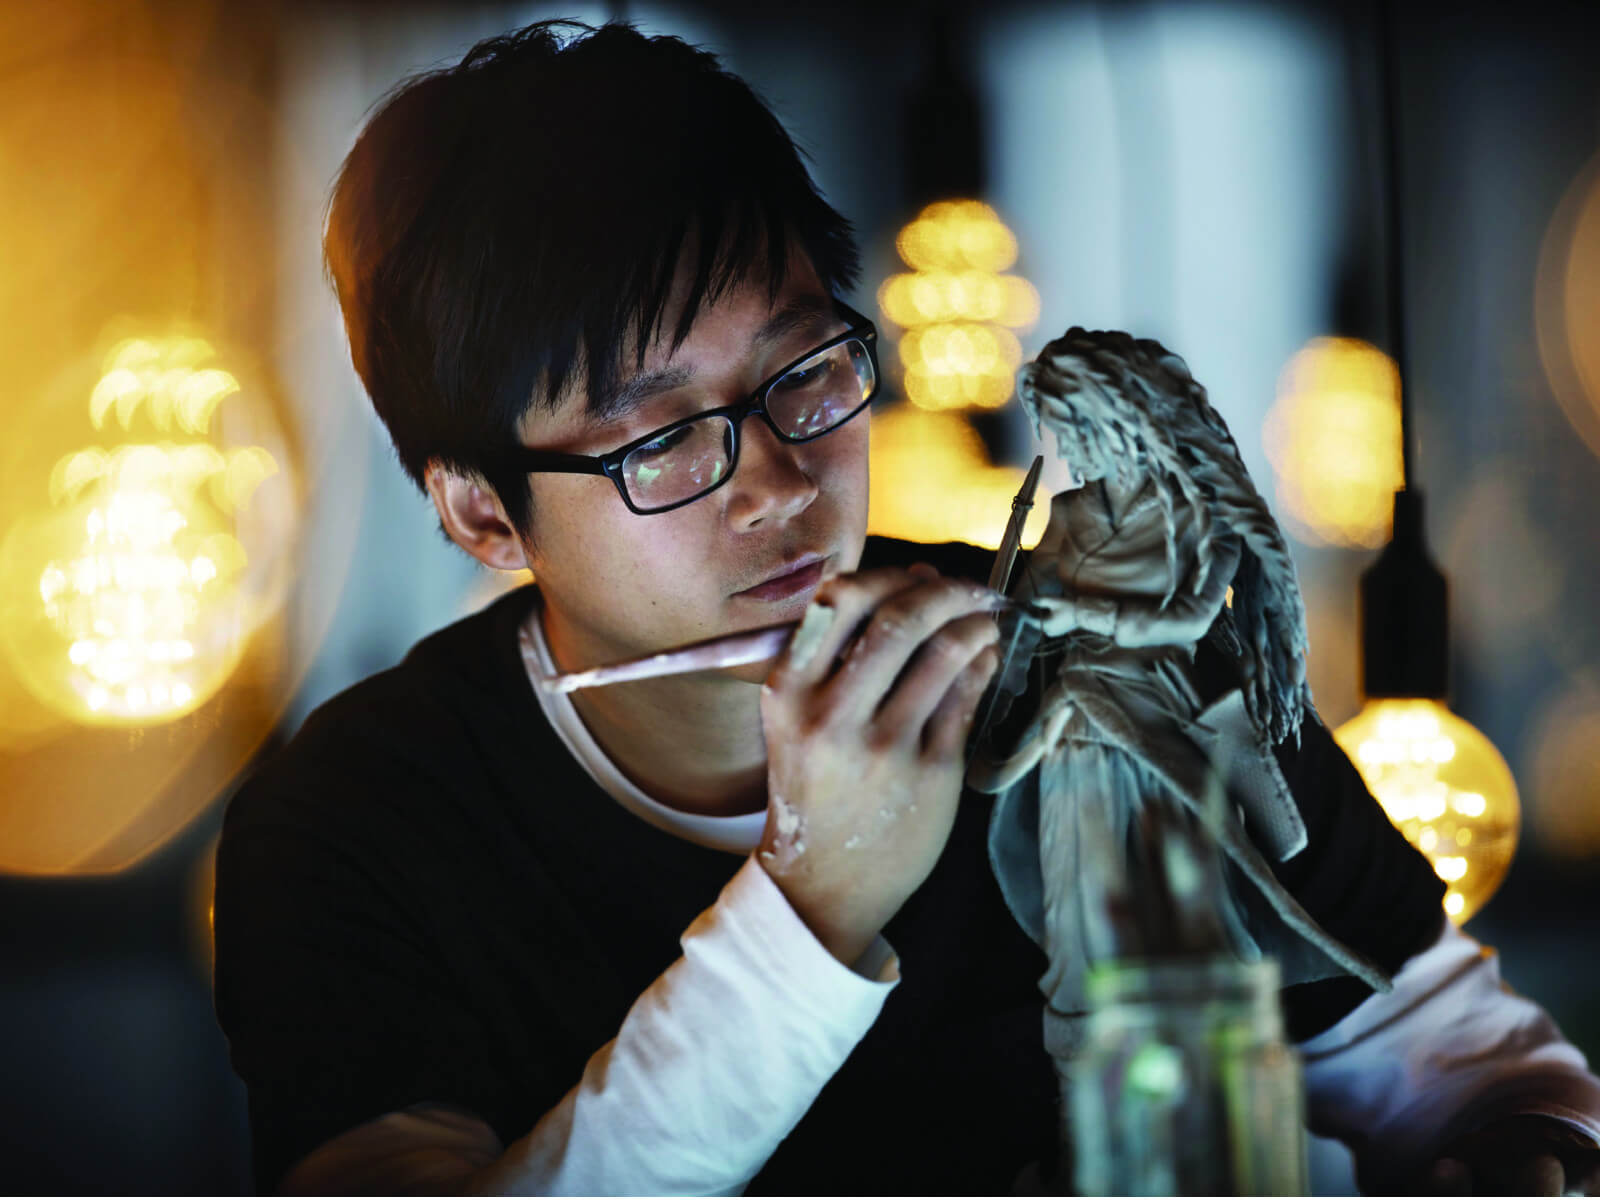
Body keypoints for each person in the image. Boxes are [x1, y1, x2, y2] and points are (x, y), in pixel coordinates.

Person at [212, 18, 1600, 1195]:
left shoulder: (1105, 656)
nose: (772, 482)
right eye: (657, 442)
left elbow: (1475, 1069)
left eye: (804, 371)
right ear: (481, 511)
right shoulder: (353, 821)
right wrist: (814, 898)